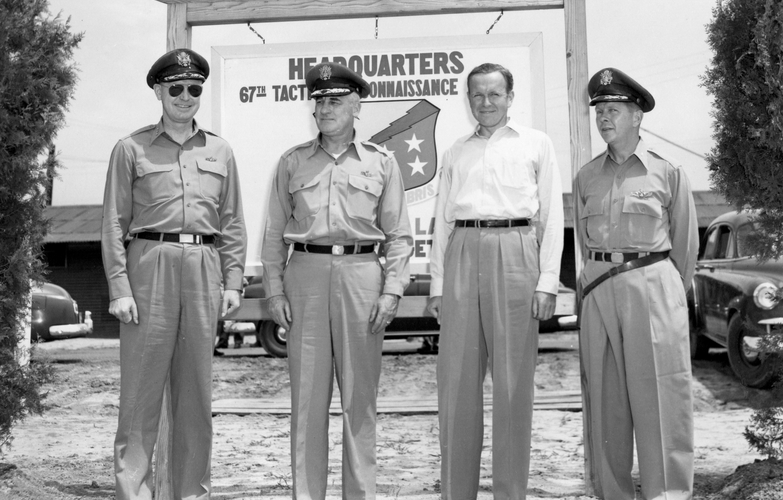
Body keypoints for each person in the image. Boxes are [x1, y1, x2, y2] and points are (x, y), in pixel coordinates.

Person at [261, 62, 412, 500]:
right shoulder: (292, 162)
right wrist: (273, 291)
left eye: (336, 100)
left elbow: (399, 234)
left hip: (363, 277)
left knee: (359, 402)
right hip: (305, 275)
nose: (325, 108)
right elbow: (274, 234)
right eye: (320, 101)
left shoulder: (381, 162)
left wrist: (392, 290)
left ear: (356, 105)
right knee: (307, 400)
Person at [101, 48, 247, 500]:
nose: (186, 97)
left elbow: (233, 221)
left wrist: (234, 279)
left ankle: (192, 495)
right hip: (150, 268)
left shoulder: (220, 150)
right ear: (159, 91)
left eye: (194, 88)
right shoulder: (131, 148)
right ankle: (134, 493)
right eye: (176, 88)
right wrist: (120, 287)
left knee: (196, 399)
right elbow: (111, 223)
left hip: (203, 270)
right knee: (140, 398)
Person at [427, 62, 564, 500]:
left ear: (510, 97)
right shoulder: (456, 151)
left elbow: (551, 216)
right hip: (464, 251)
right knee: (457, 385)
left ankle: (510, 492)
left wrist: (547, 281)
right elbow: (441, 222)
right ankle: (457, 492)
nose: (485, 103)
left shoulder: (536, 144)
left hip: (516, 250)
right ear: (468, 100)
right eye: (477, 96)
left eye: (494, 95)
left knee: (512, 385)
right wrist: (438, 285)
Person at [573, 67, 698, 500]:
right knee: (605, 406)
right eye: (600, 111)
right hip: (599, 293)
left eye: (614, 110)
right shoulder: (587, 177)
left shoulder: (668, 172)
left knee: (661, 400)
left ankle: (669, 494)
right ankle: (613, 494)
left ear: (637, 116)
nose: (604, 118)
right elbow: (583, 244)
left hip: (652, 286)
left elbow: (684, 247)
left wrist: (664, 295)